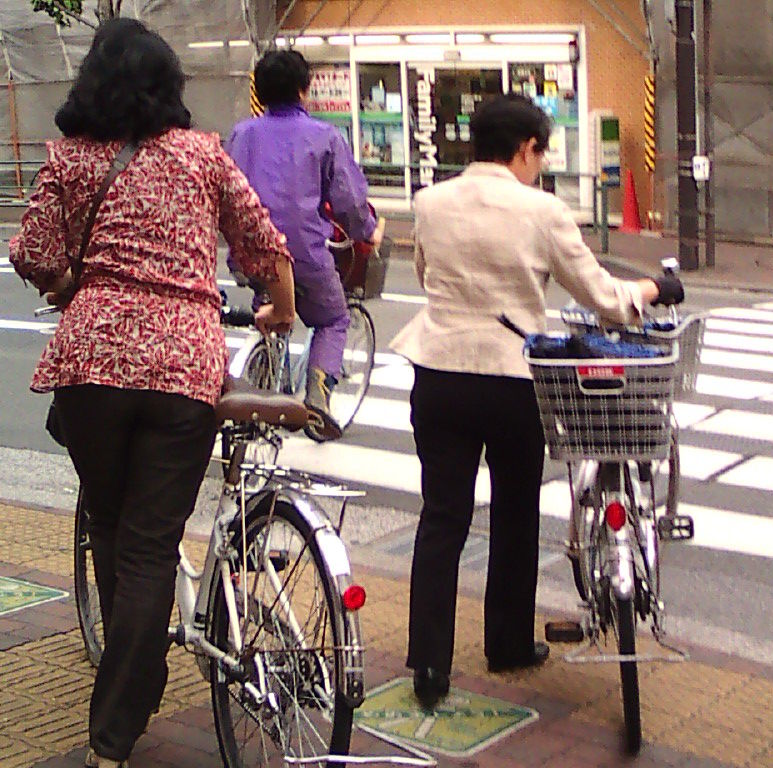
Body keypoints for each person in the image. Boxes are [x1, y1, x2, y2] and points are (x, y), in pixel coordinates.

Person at [8, 20, 295, 768]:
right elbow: (264, 246)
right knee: (148, 545)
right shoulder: (203, 156)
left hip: (92, 365)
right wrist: (283, 308)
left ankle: (124, 699)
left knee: (112, 527)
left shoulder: (69, 159)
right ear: (169, 85)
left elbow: (34, 254)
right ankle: (121, 715)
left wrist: (70, 281)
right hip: (182, 367)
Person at [389, 93, 683, 711]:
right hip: (512, 377)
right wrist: (653, 288)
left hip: (438, 371)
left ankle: (429, 665)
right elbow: (602, 297)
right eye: (539, 155)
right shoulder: (541, 209)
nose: (539, 167)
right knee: (515, 510)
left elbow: (424, 276)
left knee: (442, 515)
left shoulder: (430, 202)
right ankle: (507, 643)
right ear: (526, 149)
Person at [226, 49, 379, 441]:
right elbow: (349, 203)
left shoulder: (242, 134)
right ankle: (317, 397)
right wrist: (367, 231)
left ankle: (260, 373)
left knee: (267, 305)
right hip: (303, 256)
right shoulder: (324, 136)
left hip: (249, 256)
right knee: (333, 319)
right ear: (302, 90)